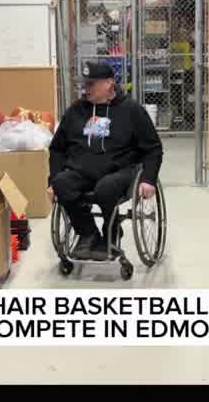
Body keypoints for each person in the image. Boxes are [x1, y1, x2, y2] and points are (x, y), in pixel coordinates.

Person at [48, 61, 163, 259]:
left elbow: (153, 148)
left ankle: (111, 233)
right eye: (84, 84)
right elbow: (57, 148)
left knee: (106, 188)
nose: (85, 89)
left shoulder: (131, 110)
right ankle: (88, 233)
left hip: (120, 171)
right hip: (81, 171)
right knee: (61, 183)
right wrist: (52, 182)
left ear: (109, 84)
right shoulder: (76, 111)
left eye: (91, 84)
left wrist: (149, 179)